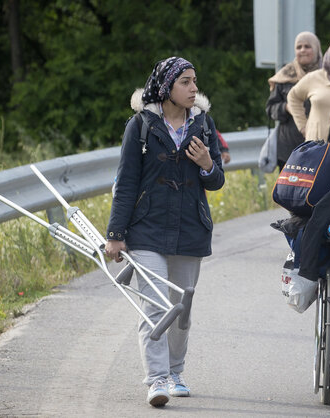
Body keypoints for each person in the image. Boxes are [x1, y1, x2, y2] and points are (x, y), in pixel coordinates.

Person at [104, 57, 225, 407]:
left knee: (181, 309)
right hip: (146, 230)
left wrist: (205, 164)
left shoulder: (203, 124)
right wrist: (116, 233)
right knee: (155, 307)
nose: (193, 89)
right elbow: (125, 182)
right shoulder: (140, 126)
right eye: (185, 82)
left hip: (190, 230)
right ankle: (156, 379)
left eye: (194, 82)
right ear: (166, 87)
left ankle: (175, 371)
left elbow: (216, 180)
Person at [266, 31, 322, 168]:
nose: (302, 50)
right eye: (299, 47)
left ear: (316, 48)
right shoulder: (284, 76)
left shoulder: (328, 74)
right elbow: (270, 109)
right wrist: (286, 107)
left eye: (307, 46)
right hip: (289, 151)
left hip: (321, 148)